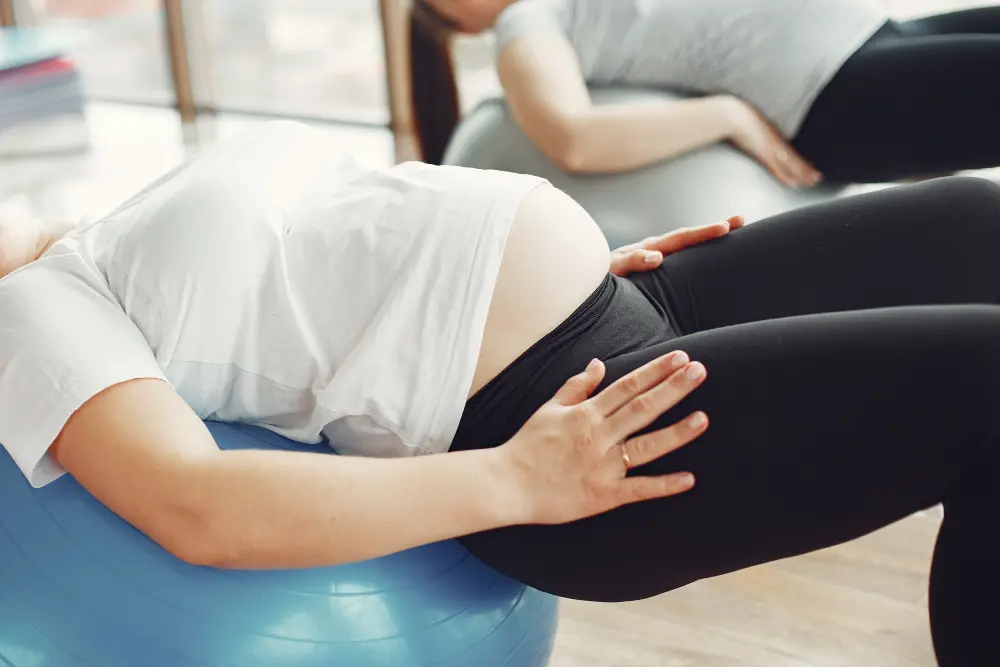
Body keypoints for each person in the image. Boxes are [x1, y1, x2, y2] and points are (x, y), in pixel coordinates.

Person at [1, 121, 999, 666]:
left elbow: (341, 266)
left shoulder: (101, 227)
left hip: (624, 302)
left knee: (972, 219)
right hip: (561, 417)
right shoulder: (31, 312)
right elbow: (197, 509)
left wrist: (559, 268)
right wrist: (516, 479)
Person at [411, 0, 1000, 185]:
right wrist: (727, 114)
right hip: (840, 94)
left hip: (878, 37)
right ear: (458, 22)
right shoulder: (524, 25)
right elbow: (575, 139)